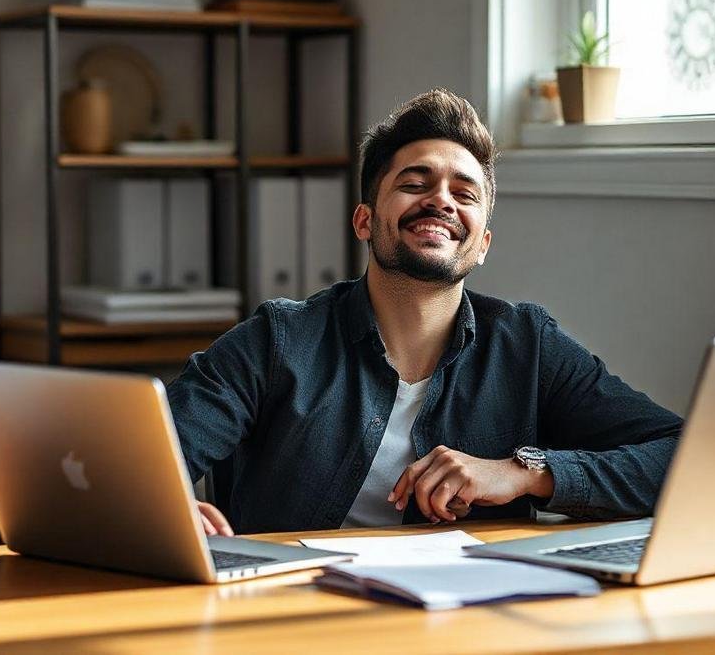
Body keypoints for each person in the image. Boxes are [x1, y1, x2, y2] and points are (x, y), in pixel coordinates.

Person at [168, 89, 683, 536]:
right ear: (365, 220)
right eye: (415, 184)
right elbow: (138, 463)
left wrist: (526, 473)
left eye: (464, 193)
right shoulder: (278, 340)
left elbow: (684, 454)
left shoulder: (529, 346)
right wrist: (169, 509)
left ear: (482, 243)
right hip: (292, 618)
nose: (441, 200)